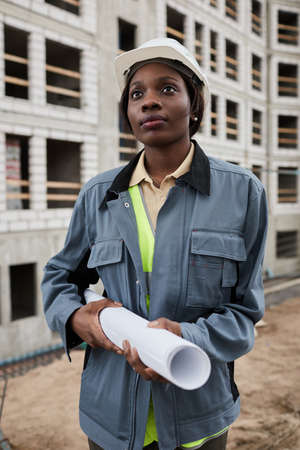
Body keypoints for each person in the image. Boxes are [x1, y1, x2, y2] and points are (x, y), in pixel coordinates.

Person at [41, 38, 268, 450]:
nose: (149, 102)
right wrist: (78, 320)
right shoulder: (99, 195)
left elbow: (244, 313)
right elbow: (59, 278)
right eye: (136, 94)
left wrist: (186, 337)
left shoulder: (242, 193)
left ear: (194, 104)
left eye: (167, 88)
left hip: (198, 415)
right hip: (111, 418)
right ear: (128, 113)